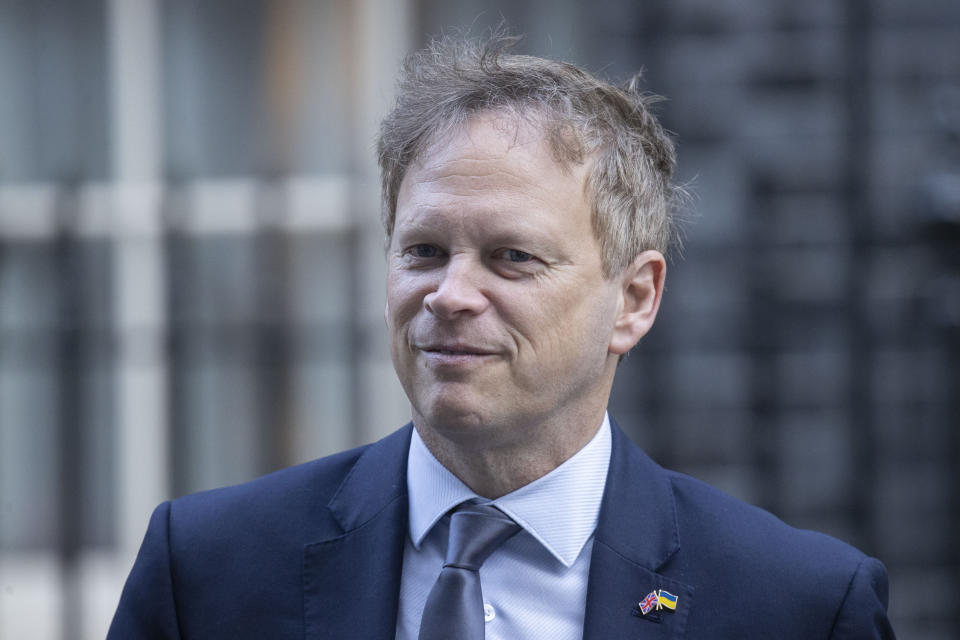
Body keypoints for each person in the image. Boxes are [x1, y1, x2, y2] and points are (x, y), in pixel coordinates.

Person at [108, 34, 894, 639]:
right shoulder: (208, 569)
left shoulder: (797, 604)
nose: (449, 295)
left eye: (511, 257)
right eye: (423, 251)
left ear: (634, 299)